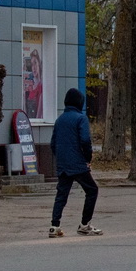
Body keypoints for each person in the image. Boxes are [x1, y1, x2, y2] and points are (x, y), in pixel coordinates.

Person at [49, 88, 102, 238]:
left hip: (63, 163)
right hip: (77, 163)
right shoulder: (80, 118)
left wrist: (61, 158)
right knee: (92, 190)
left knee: (61, 194)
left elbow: (53, 143)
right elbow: (85, 140)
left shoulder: (59, 120)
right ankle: (85, 225)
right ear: (80, 102)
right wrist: (87, 159)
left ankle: (54, 226)